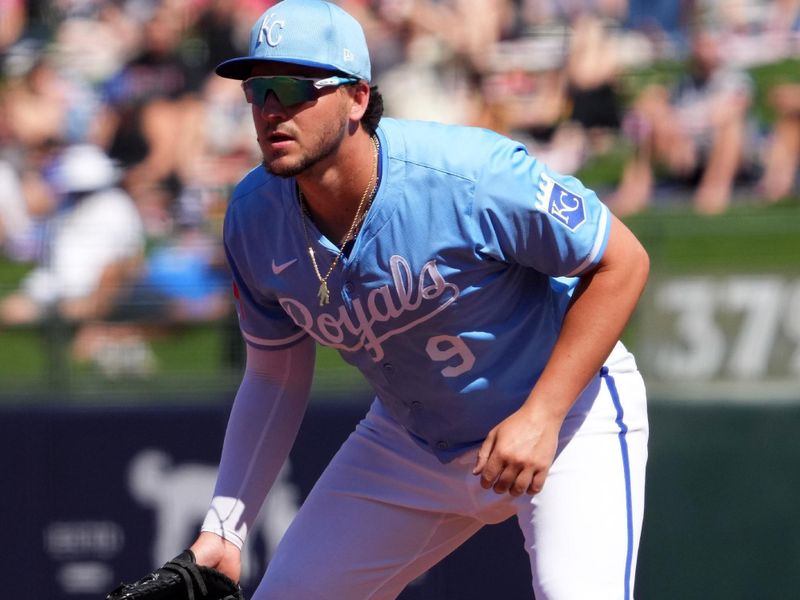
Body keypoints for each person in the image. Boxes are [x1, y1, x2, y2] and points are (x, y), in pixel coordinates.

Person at [188, 1, 650, 598]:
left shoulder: (467, 175)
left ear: (357, 98)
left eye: (294, 88)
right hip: (413, 441)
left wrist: (543, 414)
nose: (272, 109)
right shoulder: (254, 218)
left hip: (566, 417)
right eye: (258, 91)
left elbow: (622, 260)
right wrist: (226, 527)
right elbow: (275, 377)